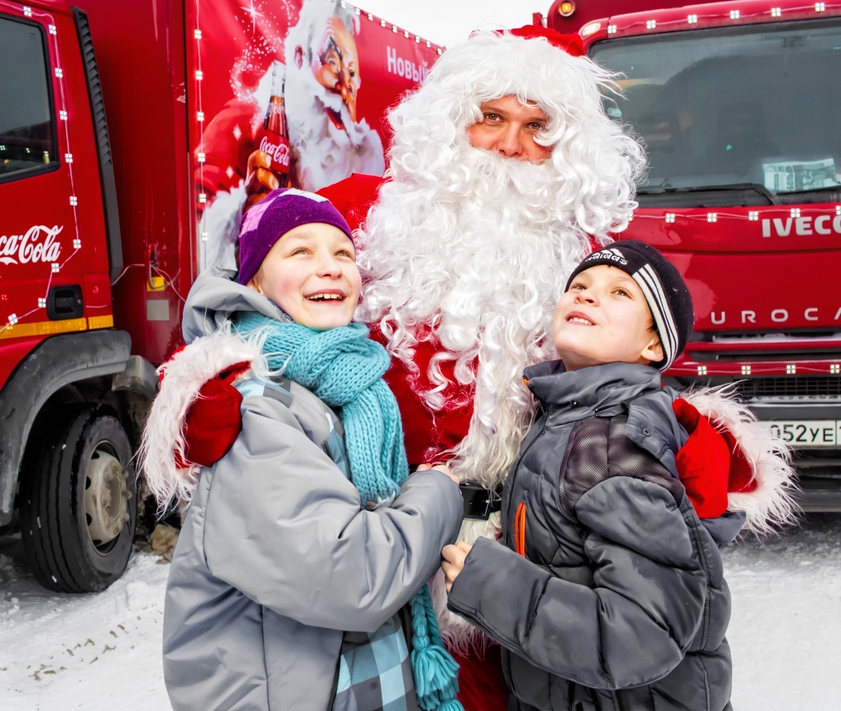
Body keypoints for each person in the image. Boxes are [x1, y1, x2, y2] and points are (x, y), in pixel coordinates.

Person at [320, 24, 795, 710]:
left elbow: (625, 383)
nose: (511, 144)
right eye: (490, 118)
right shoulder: (359, 215)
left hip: (532, 571)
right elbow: (264, 314)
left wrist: (691, 437)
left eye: (536, 127)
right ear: (450, 122)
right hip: (382, 557)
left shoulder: (588, 261)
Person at [140, 188, 465, 711]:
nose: (331, 268)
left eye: (343, 253)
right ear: (256, 282)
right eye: (300, 251)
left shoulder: (351, 384)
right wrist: (438, 492)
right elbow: (352, 577)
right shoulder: (253, 405)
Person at [442, 241, 792, 711]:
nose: (587, 296)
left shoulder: (612, 443)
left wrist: (490, 582)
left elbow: (643, 635)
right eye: (580, 286)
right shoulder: (568, 418)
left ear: (653, 344)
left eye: (620, 293)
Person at [200, 0, 385, 271]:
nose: (345, 87)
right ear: (299, 57)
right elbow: (201, 238)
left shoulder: (357, 163)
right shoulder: (243, 122)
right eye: (332, 61)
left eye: (352, 73)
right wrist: (240, 218)